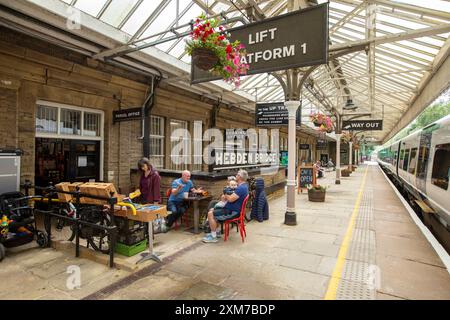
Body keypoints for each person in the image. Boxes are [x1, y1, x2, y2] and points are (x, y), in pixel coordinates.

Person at [202, 169, 249, 243]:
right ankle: (216, 232)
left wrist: (225, 192)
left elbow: (230, 199)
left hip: (232, 212)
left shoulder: (241, 188)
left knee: (210, 214)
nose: (236, 176)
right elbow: (229, 197)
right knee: (212, 210)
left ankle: (213, 237)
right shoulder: (243, 186)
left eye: (237, 175)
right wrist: (226, 194)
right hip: (231, 209)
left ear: (239, 177)